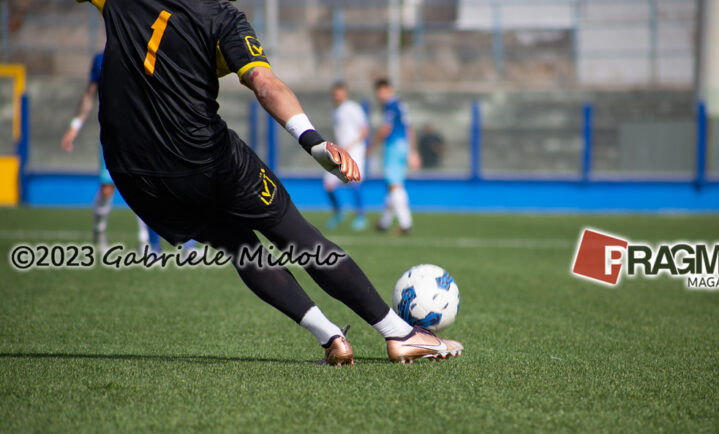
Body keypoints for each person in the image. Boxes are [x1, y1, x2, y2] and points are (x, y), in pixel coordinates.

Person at [76, 0, 462, 365]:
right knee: (297, 235)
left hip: (135, 174)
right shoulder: (221, 18)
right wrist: (312, 140)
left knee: (235, 243)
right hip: (204, 158)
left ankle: (331, 337)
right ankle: (399, 333)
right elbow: (263, 82)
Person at [61, 52, 161, 254]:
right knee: (107, 188)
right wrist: (75, 125)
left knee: (143, 188)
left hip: (140, 135)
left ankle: (145, 244)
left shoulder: (143, 53)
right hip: (112, 135)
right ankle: (99, 231)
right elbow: (90, 93)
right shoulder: (101, 59)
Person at [368, 78, 419, 235]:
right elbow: (409, 128)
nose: (380, 94)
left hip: (394, 147)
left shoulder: (390, 105)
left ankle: (406, 224)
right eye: (378, 91)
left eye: (382, 90)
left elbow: (386, 129)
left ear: (389, 90)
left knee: (395, 185)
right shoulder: (401, 105)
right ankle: (385, 222)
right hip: (402, 146)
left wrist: (371, 146)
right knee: (392, 185)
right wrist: (412, 151)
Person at [325, 82, 368, 231]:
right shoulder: (334, 111)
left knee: (354, 180)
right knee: (328, 184)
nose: (338, 96)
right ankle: (338, 213)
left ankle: (360, 216)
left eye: (340, 93)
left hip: (355, 151)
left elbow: (364, 130)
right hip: (341, 152)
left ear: (345, 93)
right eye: (335, 93)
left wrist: (351, 145)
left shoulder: (352, 108)